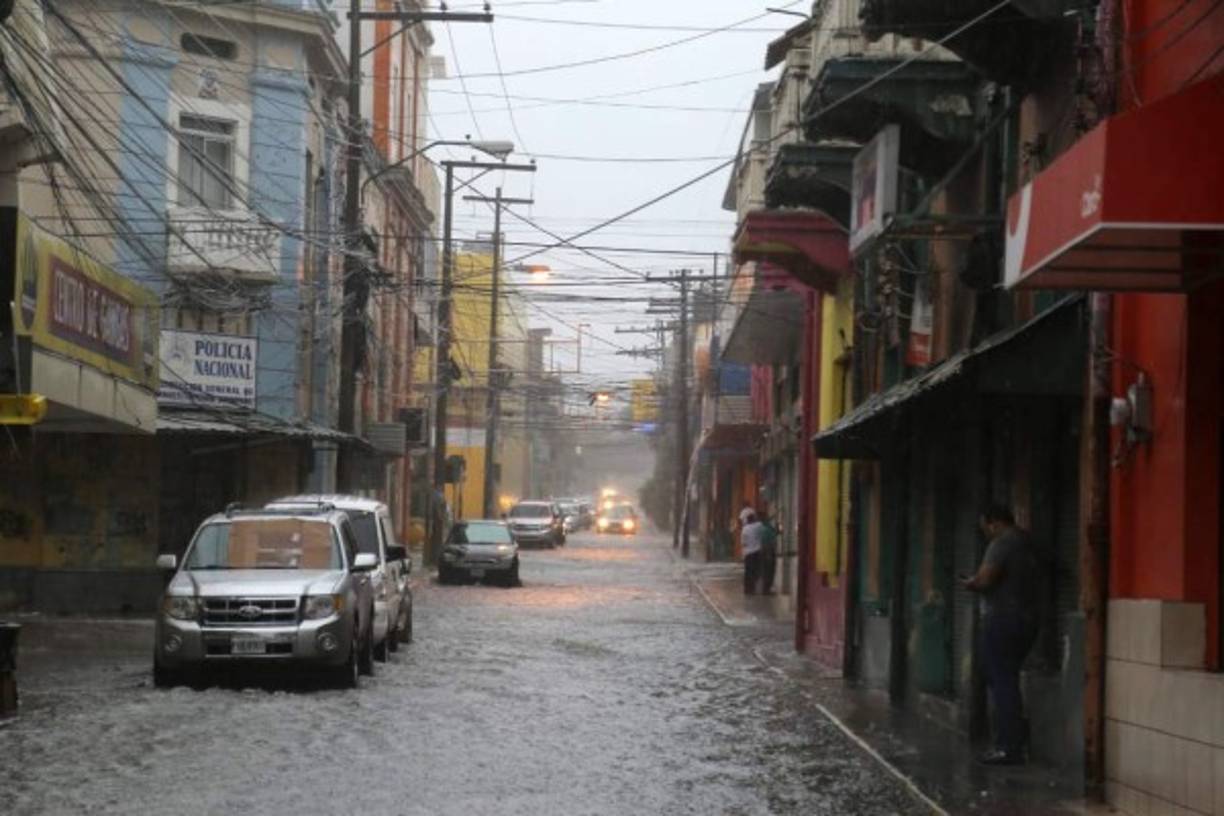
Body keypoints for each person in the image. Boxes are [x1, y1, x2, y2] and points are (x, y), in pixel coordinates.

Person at [961, 504, 1039, 766]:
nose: (985, 533)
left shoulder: (1002, 543)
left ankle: (1009, 746)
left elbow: (985, 580)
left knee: (1002, 680)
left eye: (985, 527)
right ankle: (1015, 737)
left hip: (1003, 619)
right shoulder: (1027, 541)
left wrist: (969, 582)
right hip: (1028, 619)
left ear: (994, 523)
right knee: (1005, 677)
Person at [740, 512, 764, 595]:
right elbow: (762, 525)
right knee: (756, 571)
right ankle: (753, 588)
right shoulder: (758, 526)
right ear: (754, 519)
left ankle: (747, 589)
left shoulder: (745, 529)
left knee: (748, 572)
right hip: (757, 552)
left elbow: (743, 542)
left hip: (748, 553)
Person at [757, 511, 779, 594]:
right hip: (768, 552)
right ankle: (766, 589)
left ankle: (767, 588)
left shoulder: (767, 527)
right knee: (768, 571)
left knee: (768, 571)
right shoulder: (765, 529)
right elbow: (766, 543)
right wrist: (768, 554)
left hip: (768, 552)